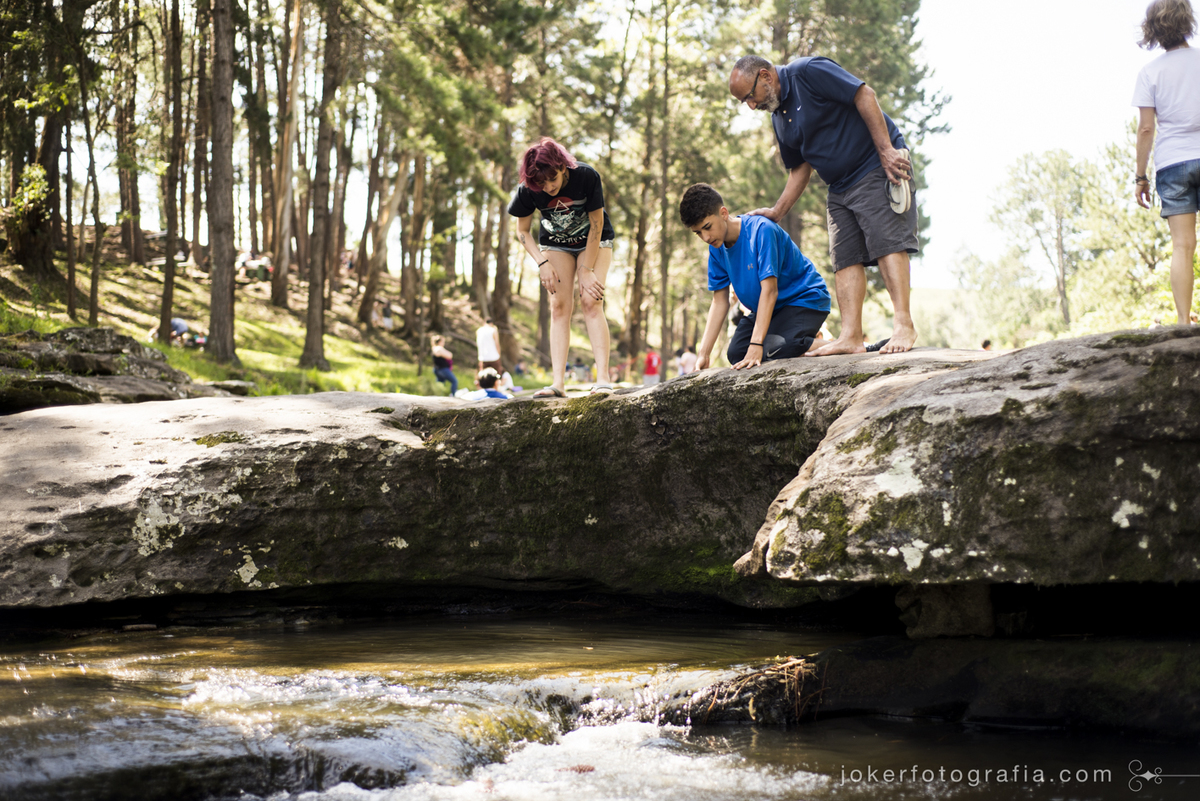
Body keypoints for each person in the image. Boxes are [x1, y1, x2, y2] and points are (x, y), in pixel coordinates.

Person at [728, 54, 918, 356]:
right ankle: (851, 336)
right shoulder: (779, 118)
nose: (752, 105)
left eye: (750, 96)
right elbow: (800, 167)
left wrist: (886, 150)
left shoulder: (808, 72)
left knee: (887, 243)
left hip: (873, 164)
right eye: (744, 102)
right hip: (838, 185)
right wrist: (777, 211)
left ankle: (903, 325)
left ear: (765, 76)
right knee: (844, 257)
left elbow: (864, 94)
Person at [680, 183, 831, 370]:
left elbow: (770, 290)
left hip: (804, 300)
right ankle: (783, 343)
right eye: (698, 233)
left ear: (724, 213)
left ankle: (835, 345)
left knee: (769, 348)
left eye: (707, 227)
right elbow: (720, 302)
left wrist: (756, 344)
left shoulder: (761, 230)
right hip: (770, 309)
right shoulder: (716, 249)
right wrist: (704, 353)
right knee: (736, 354)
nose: (705, 237)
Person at [509, 137, 615, 397]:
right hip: (556, 245)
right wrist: (542, 262)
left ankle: (602, 379)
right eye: (541, 184)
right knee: (558, 307)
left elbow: (596, 224)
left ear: (563, 167)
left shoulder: (587, 176)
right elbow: (522, 230)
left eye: (552, 179)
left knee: (591, 300)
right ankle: (557, 384)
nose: (548, 188)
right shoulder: (529, 189)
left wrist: (586, 270)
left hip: (594, 238)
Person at [1134, 0, 1200, 326]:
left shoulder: (1150, 73)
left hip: (1173, 164)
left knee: (1183, 246)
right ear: (1187, 21)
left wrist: (1139, 177)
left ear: (1154, 31)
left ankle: (1183, 324)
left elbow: (1147, 128)